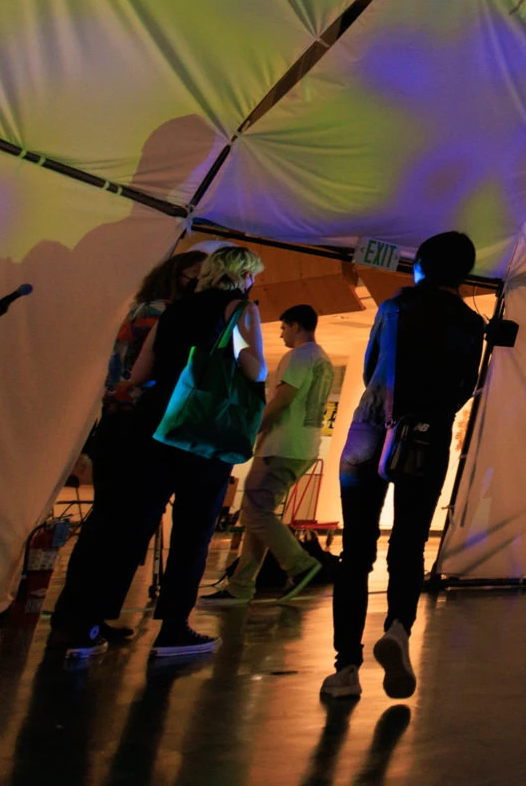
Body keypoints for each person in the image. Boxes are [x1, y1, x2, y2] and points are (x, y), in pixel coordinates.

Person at [48, 247, 268, 661]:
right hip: (203, 430)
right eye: (252, 274)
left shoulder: (172, 311)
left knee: (130, 525)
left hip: (153, 425)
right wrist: (244, 346)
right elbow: (253, 369)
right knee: (193, 530)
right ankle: (173, 629)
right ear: (241, 275)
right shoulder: (240, 308)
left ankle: (87, 625)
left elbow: (140, 373)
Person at [322, 232, 487, 701]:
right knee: (409, 544)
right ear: (464, 273)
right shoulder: (471, 324)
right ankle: (398, 630)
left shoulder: (393, 308)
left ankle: (346, 670)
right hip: (426, 439)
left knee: (356, 551)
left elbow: (372, 365)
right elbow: (463, 389)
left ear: (422, 267)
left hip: (370, 431)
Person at [77, 249, 207, 644]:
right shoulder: (162, 312)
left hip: (119, 420)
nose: (201, 286)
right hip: (131, 421)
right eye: (196, 277)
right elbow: (145, 372)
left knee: (112, 522)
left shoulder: (148, 307)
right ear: (180, 276)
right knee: (119, 525)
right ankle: (87, 618)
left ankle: (88, 617)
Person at [206, 304, 333, 605]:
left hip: (281, 446)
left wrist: (252, 431)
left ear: (297, 326)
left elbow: (282, 401)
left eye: (284, 327)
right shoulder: (323, 360)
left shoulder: (299, 357)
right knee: (259, 515)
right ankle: (241, 585)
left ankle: (300, 565)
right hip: (303, 447)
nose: (281, 334)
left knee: (255, 512)